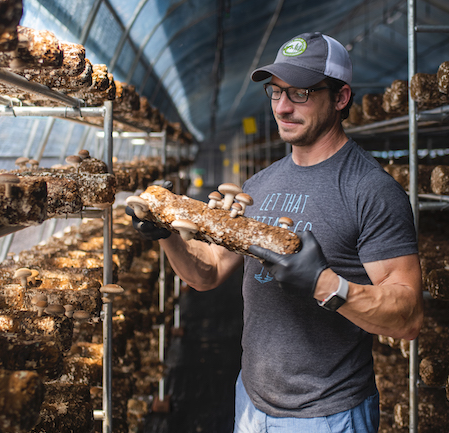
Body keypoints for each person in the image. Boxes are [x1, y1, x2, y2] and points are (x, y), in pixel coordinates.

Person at [128, 31, 423, 433]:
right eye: (275, 92)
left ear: (340, 98)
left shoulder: (370, 190)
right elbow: (208, 273)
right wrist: (167, 237)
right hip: (251, 403)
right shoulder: (259, 185)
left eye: (300, 93)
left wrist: (325, 284)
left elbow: (407, 317)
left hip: (328, 415)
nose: (282, 107)